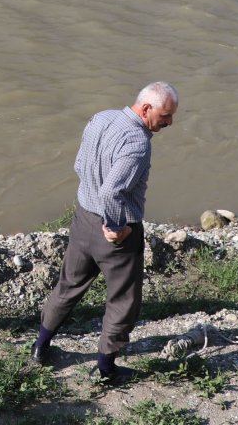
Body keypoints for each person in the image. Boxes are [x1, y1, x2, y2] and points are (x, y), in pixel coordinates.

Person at [31, 82, 179, 383]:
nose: (169, 123)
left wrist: (92, 206)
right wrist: (115, 227)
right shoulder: (138, 142)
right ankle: (106, 369)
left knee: (68, 285)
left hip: (83, 219)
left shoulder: (100, 118)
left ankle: (40, 347)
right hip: (115, 233)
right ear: (146, 108)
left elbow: (79, 165)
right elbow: (112, 192)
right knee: (123, 300)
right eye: (165, 115)